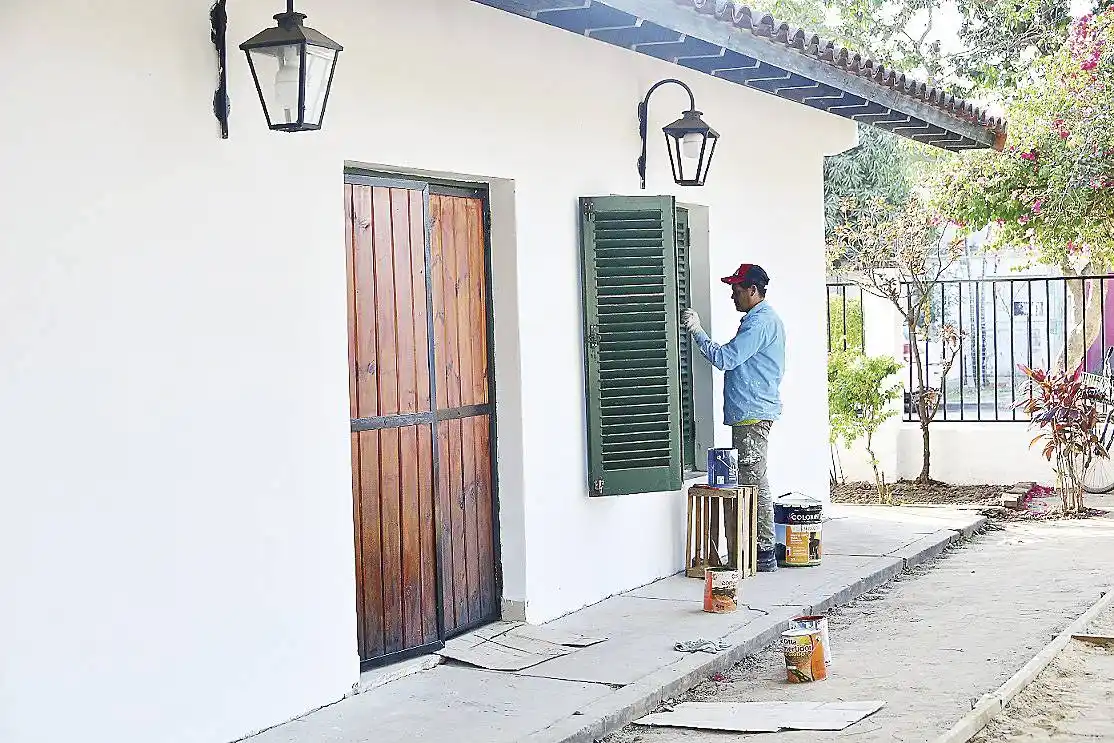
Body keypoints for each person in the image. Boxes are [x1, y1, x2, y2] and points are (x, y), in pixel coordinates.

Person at [682, 264, 785, 573]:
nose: (732, 296)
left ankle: (763, 552)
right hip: (750, 412)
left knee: (753, 482)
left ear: (753, 290)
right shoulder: (759, 320)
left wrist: (697, 332)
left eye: (737, 290)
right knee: (751, 480)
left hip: (753, 413)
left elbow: (726, 358)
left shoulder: (760, 323)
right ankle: (760, 549)